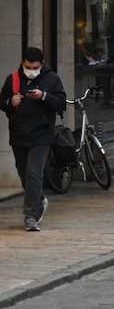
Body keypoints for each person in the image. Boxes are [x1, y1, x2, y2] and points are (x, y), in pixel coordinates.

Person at [1, 47, 66, 232]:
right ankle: (40, 200)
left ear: (41, 64)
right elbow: (2, 102)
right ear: (23, 63)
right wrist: (10, 102)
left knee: (33, 173)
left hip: (41, 135)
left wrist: (43, 96)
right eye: (28, 67)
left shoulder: (52, 79)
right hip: (19, 135)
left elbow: (61, 103)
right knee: (24, 174)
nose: (31, 70)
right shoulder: (13, 79)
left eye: (35, 67)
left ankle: (31, 216)